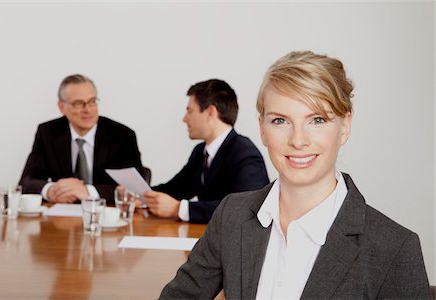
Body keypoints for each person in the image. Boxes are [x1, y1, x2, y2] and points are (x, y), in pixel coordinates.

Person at [159, 51, 431, 298]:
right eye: (280, 121)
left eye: (317, 120)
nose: (298, 140)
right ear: (263, 129)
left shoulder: (394, 249)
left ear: (345, 126)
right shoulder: (232, 215)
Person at [144, 79, 269, 224]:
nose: (184, 119)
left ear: (210, 112)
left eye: (189, 111)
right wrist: (141, 194)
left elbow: (244, 209)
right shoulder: (200, 152)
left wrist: (179, 209)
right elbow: (176, 188)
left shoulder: (245, 154)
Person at [19, 74, 144, 203]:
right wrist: (52, 190)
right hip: (61, 215)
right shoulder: (47, 132)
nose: (88, 109)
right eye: (79, 104)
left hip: (106, 214)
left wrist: (87, 191)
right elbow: (26, 182)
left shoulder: (122, 135)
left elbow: (136, 189)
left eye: (92, 101)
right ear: (61, 107)